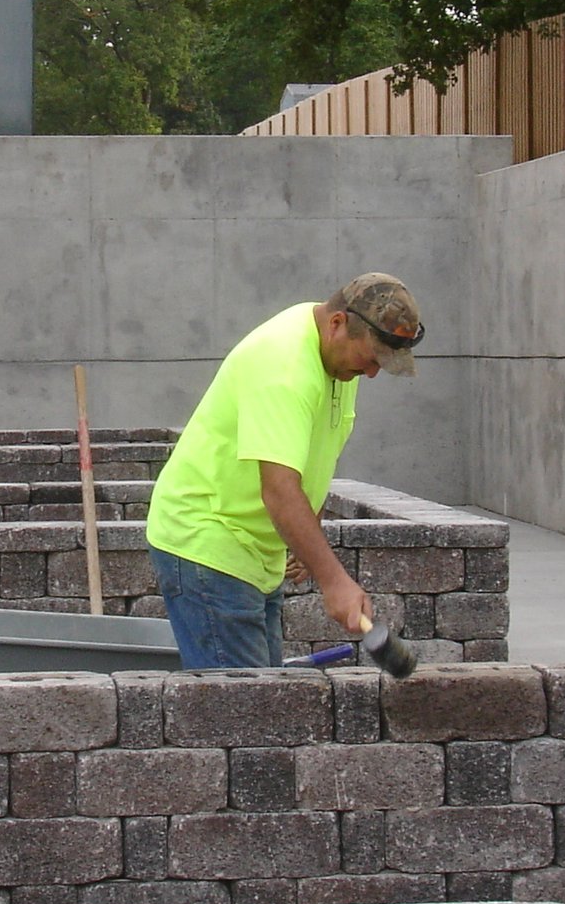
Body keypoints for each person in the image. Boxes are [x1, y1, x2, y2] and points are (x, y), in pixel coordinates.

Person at [147, 274, 425, 668]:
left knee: (269, 701)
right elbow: (279, 489)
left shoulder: (340, 362)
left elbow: (310, 458)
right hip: (208, 543)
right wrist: (334, 582)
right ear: (337, 324)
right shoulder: (284, 366)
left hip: (255, 548)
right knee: (244, 715)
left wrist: (301, 541)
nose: (374, 372)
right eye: (371, 357)